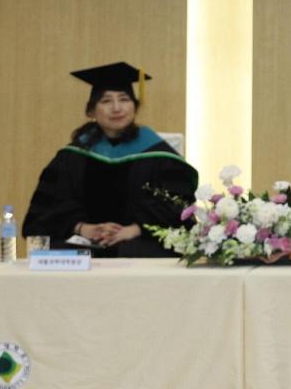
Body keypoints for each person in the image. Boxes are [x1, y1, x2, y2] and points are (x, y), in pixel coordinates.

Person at [22, 61, 196, 258]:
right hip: (85, 245)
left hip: (138, 245)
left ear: (134, 107)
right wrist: (83, 228)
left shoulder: (159, 155)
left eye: (124, 99)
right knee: (56, 251)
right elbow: (44, 215)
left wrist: (134, 229)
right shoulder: (72, 157)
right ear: (91, 111)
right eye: (106, 101)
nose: (116, 108)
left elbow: (177, 210)